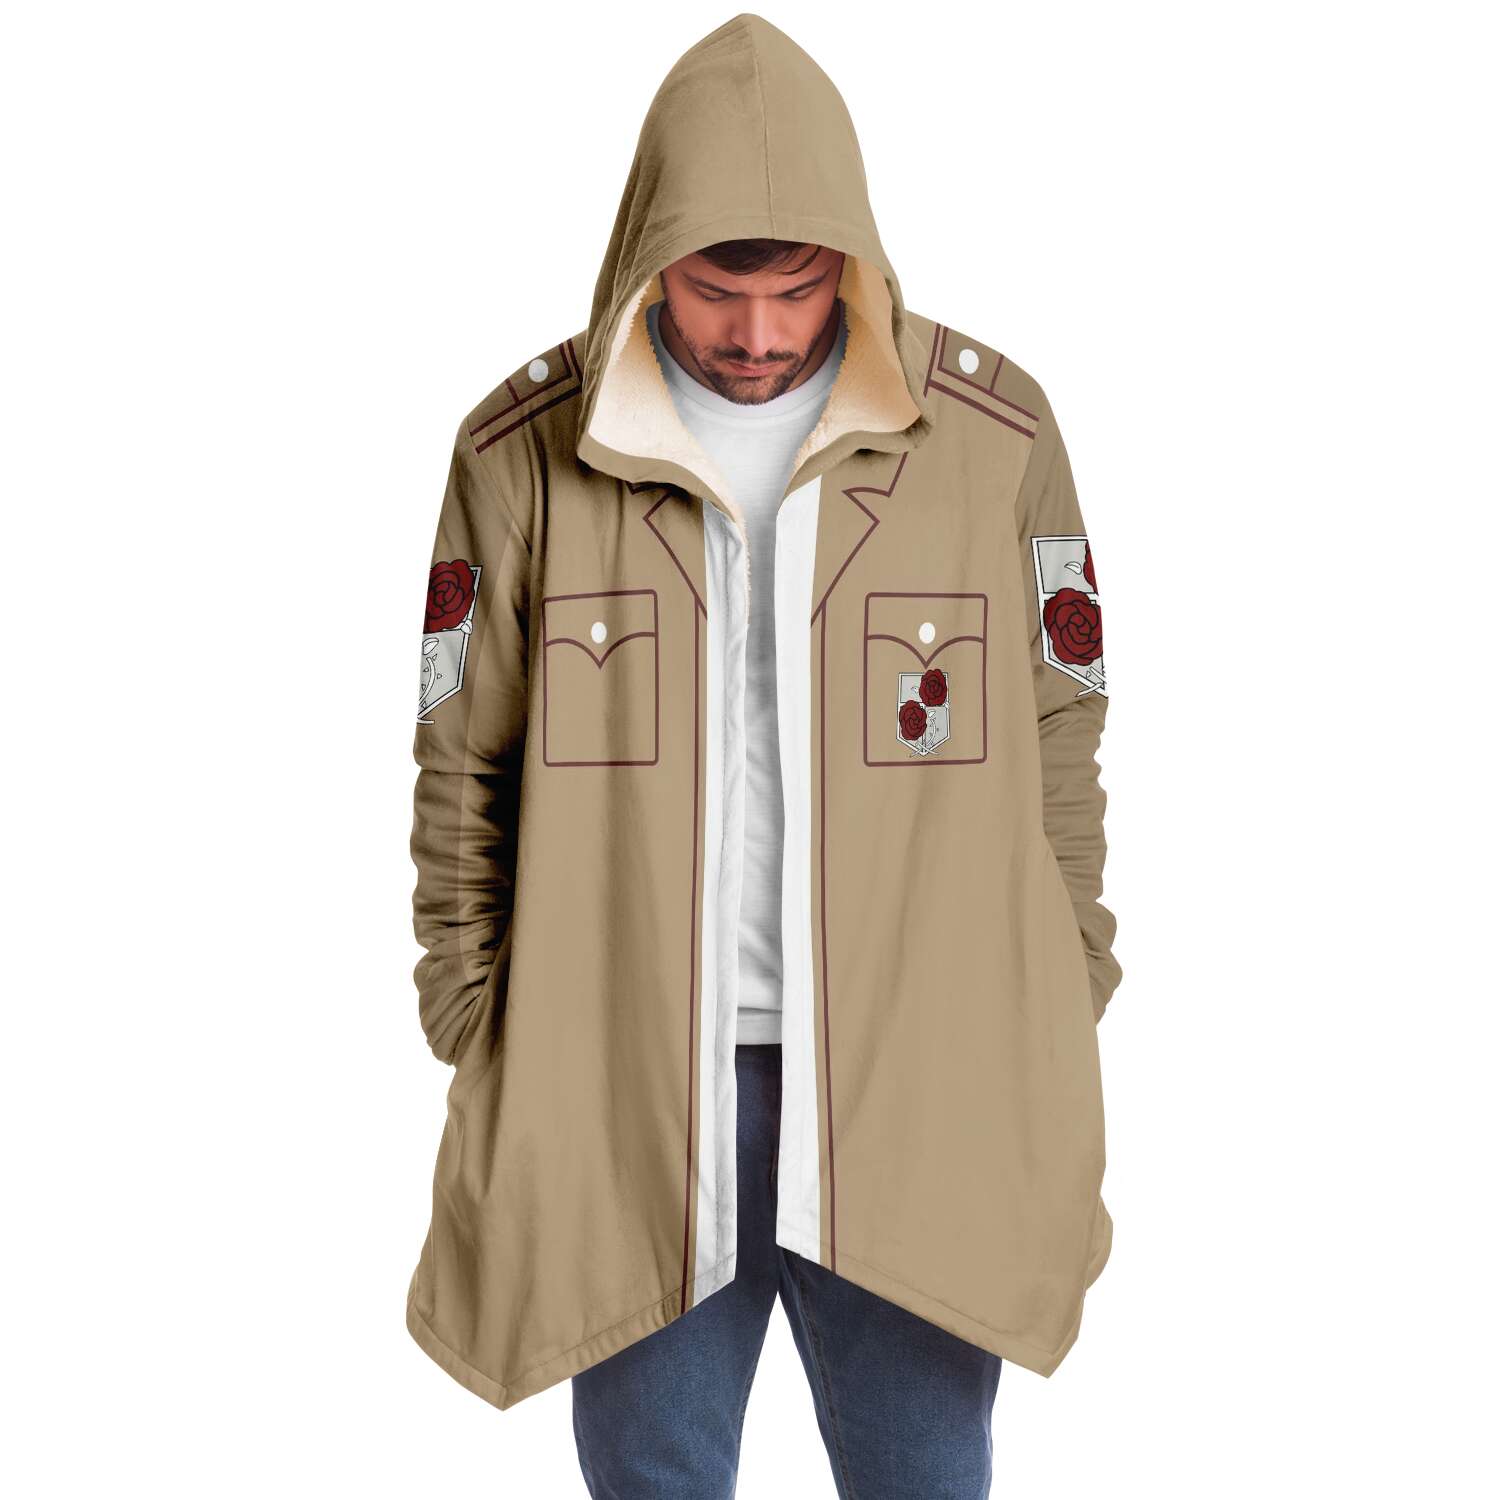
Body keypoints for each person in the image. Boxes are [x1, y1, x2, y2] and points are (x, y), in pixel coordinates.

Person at [406, 14, 1121, 1498]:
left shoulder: (991, 438)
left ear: (851, 260)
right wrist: (475, 1009)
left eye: (796, 291)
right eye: (716, 291)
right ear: (646, 260)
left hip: (919, 1076)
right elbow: (462, 753)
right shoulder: (519, 454)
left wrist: (1066, 973)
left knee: (925, 1480)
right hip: (629, 1091)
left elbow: (1065, 723)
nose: (758, 335)